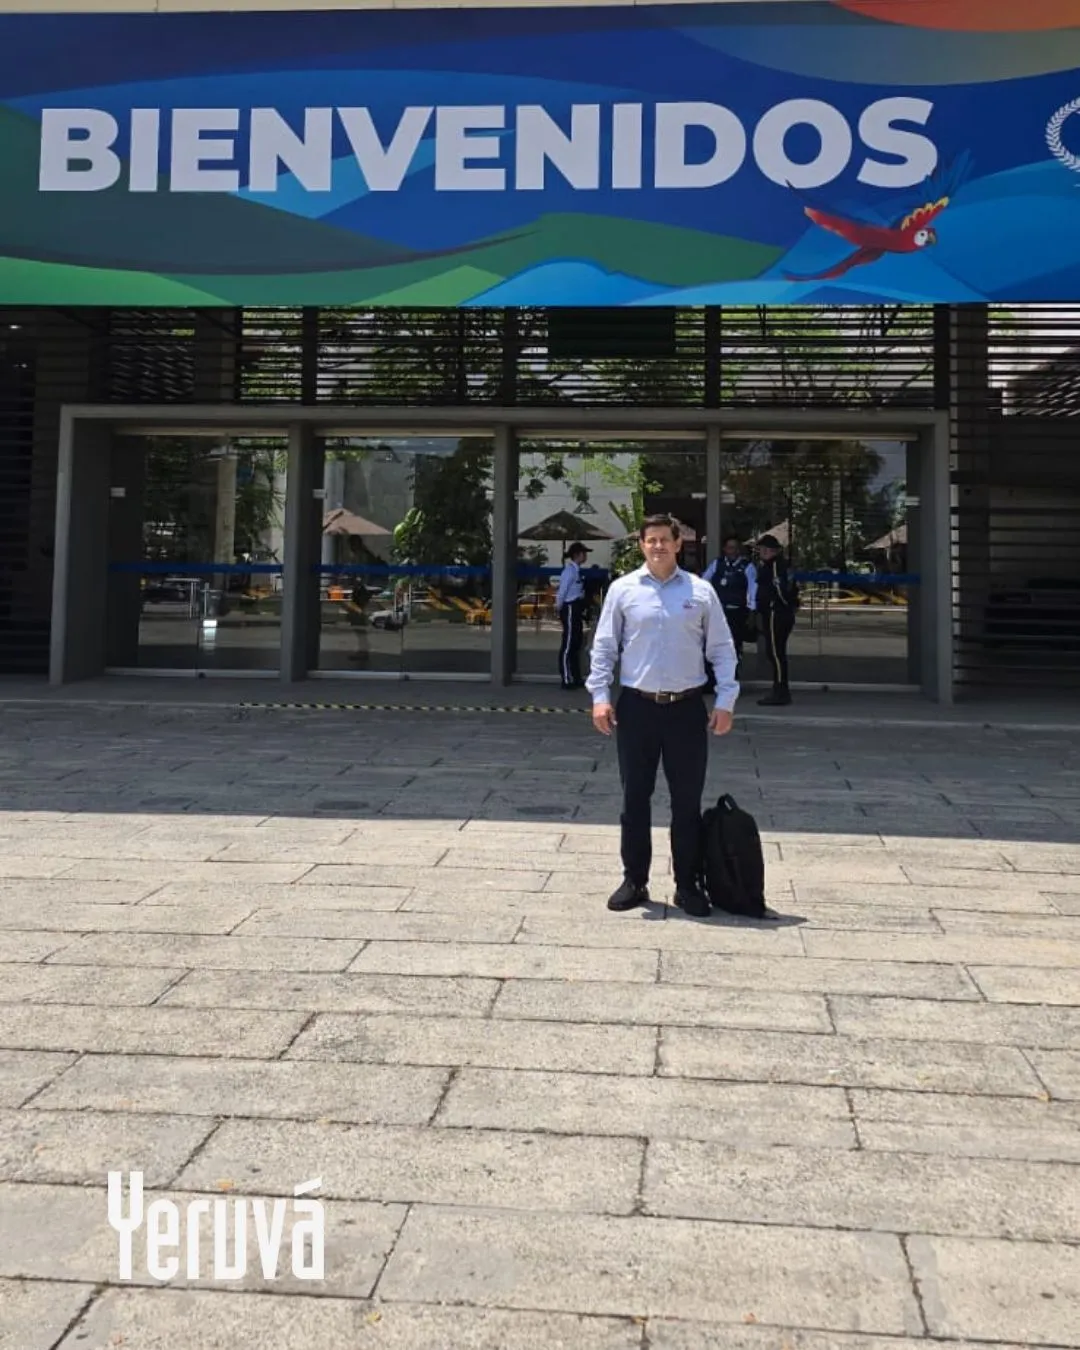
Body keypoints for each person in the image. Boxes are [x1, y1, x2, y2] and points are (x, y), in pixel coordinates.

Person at [585, 514, 739, 918]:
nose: (657, 546)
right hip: (637, 707)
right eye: (650, 540)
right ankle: (634, 880)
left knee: (686, 802)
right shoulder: (623, 590)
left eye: (664, 540)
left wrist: (726, 699)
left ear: (677, 543)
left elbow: (722, 649)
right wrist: (600, 696)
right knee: (634, 798)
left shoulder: (700, 591)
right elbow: (604, 647)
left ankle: (687, 884)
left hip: (686, 709)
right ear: (641, 545)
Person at [755, 533, 798, 706]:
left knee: (776, 653)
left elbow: (781, 589)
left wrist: (780, 605)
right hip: (777, 612)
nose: (761, 553)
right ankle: (779, 688)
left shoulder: (775, 566)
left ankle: (781, 691)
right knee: (775, 653)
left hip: (776, 613)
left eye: (763, 549)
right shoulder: (779, 565)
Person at [702, 535, 757, 666]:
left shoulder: (747, 566)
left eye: (735, 548)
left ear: (739, 550)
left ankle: (733, 672)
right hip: (719, 611)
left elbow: (753, 589)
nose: (732, 551)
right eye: (729, 548)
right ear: (724, 549)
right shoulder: (718, 563)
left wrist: (752, 612)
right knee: (715, 643)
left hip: (737, 612)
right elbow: (704, 582)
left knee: (734, 643)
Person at [554, 541, 590, 689]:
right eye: (583, 553)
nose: (585, 556)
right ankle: (566, 679)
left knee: (576, 643)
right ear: (577, 555)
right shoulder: (569, 571)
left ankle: (576, 677)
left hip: (576, 608)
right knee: (568, 644)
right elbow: (562, 591)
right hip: (569, 607)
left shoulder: (576, 571)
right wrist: (558, 607)